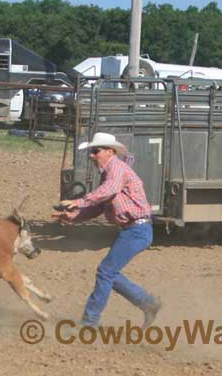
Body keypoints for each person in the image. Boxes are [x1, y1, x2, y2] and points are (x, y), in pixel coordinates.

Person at [52, 132, 161, 328]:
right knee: (109, 272)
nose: (92, 155)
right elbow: (100, 206)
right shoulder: (111, 171)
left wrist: (77, 201)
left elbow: (108, 190)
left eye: (96, 151)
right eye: (92, 152)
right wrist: (74, 217)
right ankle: (148, 303)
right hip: (135, 230)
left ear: (110, 151)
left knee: (106, 272)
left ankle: (90, 322)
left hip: (137, 229)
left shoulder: (116, 169)